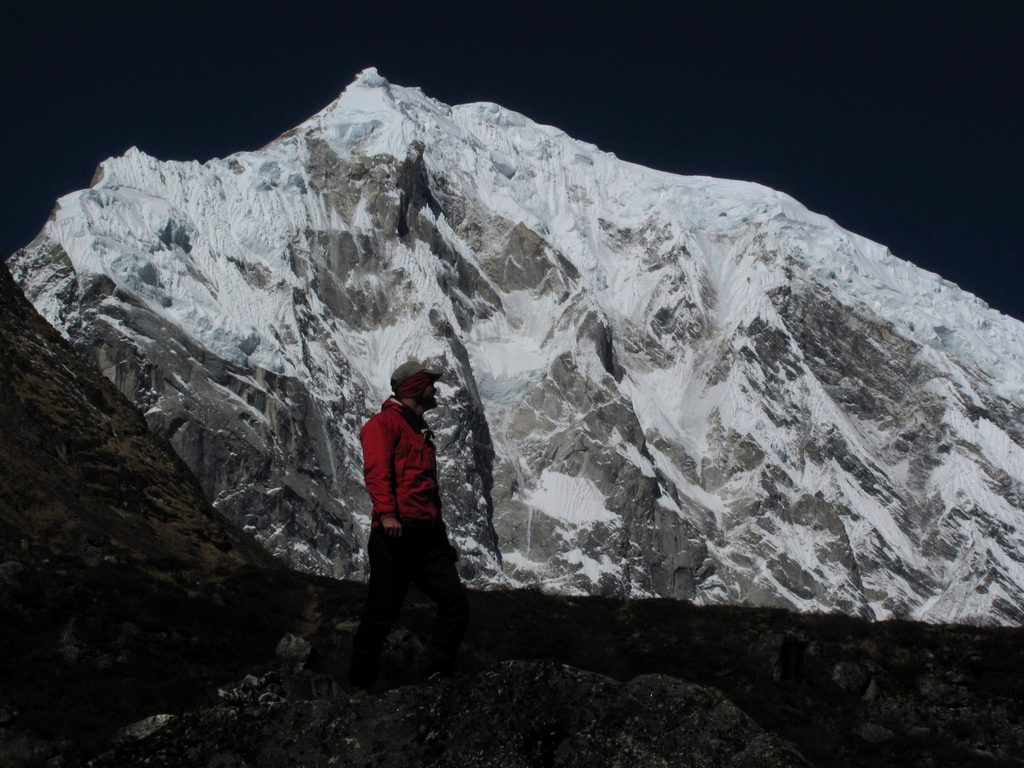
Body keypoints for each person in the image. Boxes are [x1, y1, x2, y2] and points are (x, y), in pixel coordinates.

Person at [347, 359, 469, 690]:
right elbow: (377, 471)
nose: (435, 388)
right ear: (414, 388)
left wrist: (441, 538)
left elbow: (427, 490)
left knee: (455, 602)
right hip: (395, 534)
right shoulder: (383, 425)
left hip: (427, 537)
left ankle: (435, 676)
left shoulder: (419, 431)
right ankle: (358, 686)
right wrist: (387, 514)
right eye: (430, 383)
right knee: (381, 612)